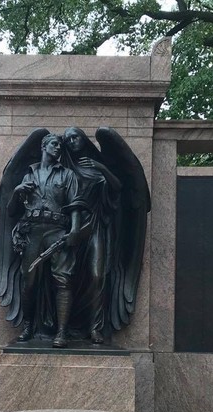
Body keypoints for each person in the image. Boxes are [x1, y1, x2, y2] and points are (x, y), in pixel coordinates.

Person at [6, 133, 86, 348]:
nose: (58, 148)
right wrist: (16, 192)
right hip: (32, 231)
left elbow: (75, 204)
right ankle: (28, 325)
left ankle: (61, 333)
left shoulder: (67, 175)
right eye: (54, 144)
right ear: (43, 146)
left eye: (60, 145)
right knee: (28, 281)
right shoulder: (28, 175)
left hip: (57, 230)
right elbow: (11, 210)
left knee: (63, 280)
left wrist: (75, 230)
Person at [62, 127, 122, 344]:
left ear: (84, 139)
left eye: (75, 136)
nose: (72, 141)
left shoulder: (96, 167)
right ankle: (63, 327)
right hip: (70, 229)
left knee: (97, 276)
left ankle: (95, 328)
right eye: (68, 139)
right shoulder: (65, 168)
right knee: (67, 278)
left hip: (95, 227)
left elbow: (118, 188)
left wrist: (102, 168)